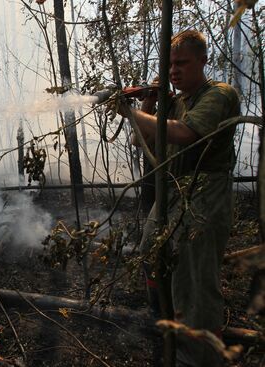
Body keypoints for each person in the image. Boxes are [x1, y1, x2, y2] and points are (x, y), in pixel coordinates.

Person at [120, 30, 240, 366]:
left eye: (182, 63)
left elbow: (185, 133)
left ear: (203, 61)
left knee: (195, 279)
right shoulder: (176, 101)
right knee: (150, 250)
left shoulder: (219, 95)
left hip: (204, 194)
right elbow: (141, 139)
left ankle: (197, 357)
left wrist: (130, 112)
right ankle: (165, 324)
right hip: (174, 190)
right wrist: (150, 100)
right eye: (170, 65)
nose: (174, 71)